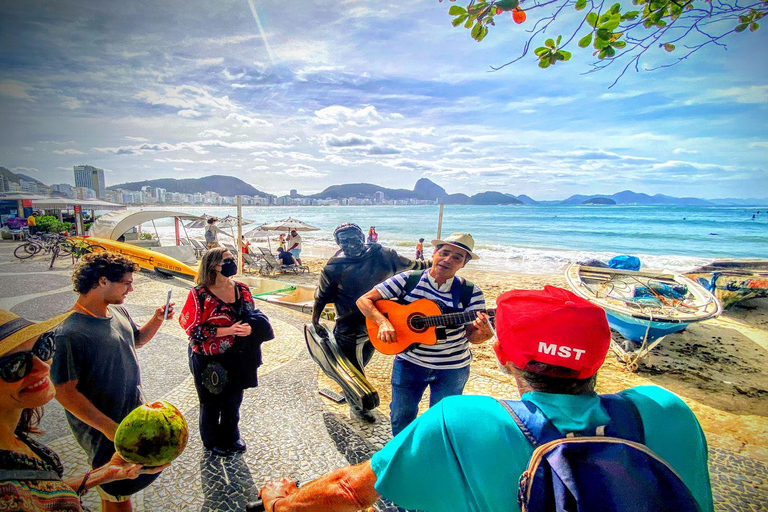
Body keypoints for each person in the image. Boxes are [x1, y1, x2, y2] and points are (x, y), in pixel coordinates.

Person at [259, 286, 715, 512]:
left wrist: (281, 503)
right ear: (599, 356)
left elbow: (348, 494)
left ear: (499, 356)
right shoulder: (666, 409)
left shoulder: (464, 418)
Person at [0, 310, 167, 511]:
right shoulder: (5, 492)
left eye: (43, 347)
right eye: (15, 365)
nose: (43, 366)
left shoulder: (12, 437)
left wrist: (102, 475)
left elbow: (42, 496)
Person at [51, 252, 175, 511]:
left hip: (129, 418)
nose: (132, 288)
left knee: (126, 484)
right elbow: (65, 393)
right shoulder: (69, 332)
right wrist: (110, 429)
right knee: (115, 491)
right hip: (104, 430)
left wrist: (157, 319)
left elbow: (137, 340)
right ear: (103, 281)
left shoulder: (117, 311)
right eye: (127, 283)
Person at [357, 233, 493, 434]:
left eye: (457, 257)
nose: (448, 259)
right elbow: (364, 300)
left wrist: (485, 333)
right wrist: (383, 322)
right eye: (445, 253)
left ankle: (431, 454)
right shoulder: (408, 280)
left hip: (452, 368)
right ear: (434, 253)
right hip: (409, 362)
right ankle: (400, 454)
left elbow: (473, 337)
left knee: (443, 419)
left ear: (463, 264)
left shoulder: (470, 292)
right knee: (401, 414)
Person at [311, 223, 429, 421]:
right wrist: (315, 321)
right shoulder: (333, 268)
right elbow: (321, 296)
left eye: (354, 238)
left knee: (362, 362)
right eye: (344, 241)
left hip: (378, 323)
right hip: (349, 327)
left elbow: (413, 266)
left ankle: (352, 393)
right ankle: (359, 404)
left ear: (362, 236)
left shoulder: (384, 255)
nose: (351, 244)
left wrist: (438, 263)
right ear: (338, 243)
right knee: (354, 369)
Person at [179, 247, 272, 457]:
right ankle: (211, 441)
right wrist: (227, 331)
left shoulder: (242, 288)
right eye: (227, 260)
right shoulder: (199, 294)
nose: (232, 263)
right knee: (211, 403)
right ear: (214, 266)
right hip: (209, 358)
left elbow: (252, 315)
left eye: (232, 259)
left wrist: (251, 328)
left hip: (238, 356)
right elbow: (190, 328)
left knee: (233, 400)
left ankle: (232, 435)